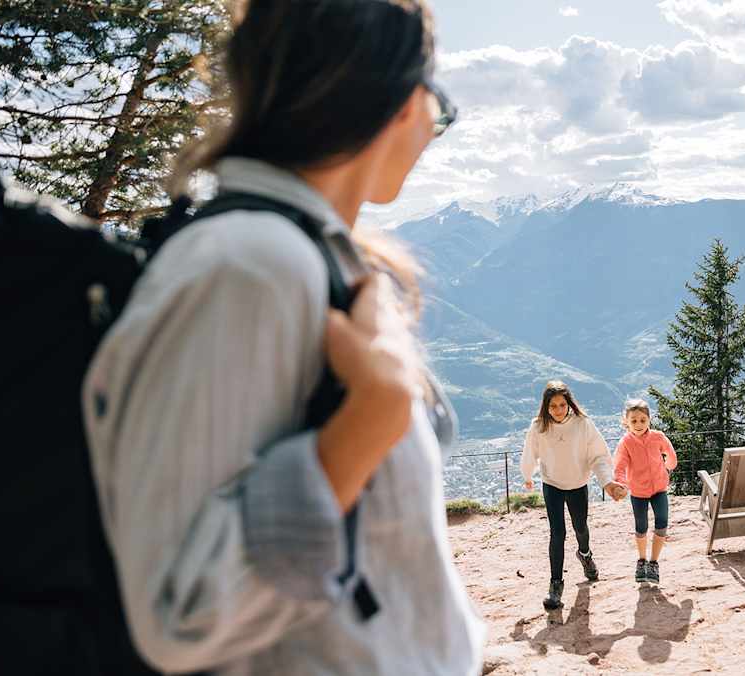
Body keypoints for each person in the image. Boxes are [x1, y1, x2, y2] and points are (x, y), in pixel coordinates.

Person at [80, 1, 484, 673]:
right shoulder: (248, 265)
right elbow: (182, 612)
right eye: (438, 105)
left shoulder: (302, 256)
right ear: (402, 103)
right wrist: (371, 418)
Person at [520, 381, 626, 610]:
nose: (558, 410)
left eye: (562, 404)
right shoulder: (538, 426)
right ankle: (555, 585)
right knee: (557, 533)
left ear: (569, 404)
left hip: (578, 484)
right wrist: (528, 474)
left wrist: (607, 482)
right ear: (545, 408)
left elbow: (598, 456)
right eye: (553, 406)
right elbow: (530, 451)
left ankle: (585, 554)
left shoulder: (583, 424)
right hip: (552, 485)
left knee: (580, 527)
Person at [613, 398, 678, 584]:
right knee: (641, 527)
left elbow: (670, 453)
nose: (639, 424)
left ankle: (654, 563)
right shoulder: (625, 443)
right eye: (634, 421)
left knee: (662, 523)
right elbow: (619, 467)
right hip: (638, 492)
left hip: (659, 488)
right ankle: (641, 561)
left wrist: (669, 465)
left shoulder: (658, 436)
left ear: (649, 419)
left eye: (642, 420)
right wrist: (620, 484)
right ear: (626, 422)